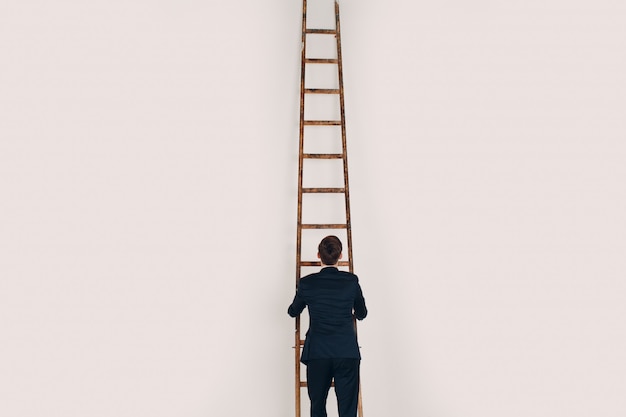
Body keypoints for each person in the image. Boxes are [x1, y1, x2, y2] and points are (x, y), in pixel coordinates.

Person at [288, 235, 368, 417]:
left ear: (318, 255)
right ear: (340, 256)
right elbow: (362, 314)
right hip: (346, 352)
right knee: (348, 409)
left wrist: (300, 300)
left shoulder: (307, 283)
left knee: (317, 406)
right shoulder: (351, 281)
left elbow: (293, 311)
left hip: (317, 353)